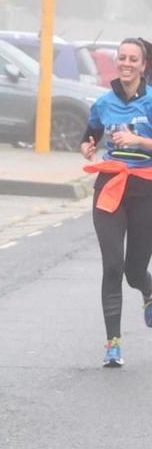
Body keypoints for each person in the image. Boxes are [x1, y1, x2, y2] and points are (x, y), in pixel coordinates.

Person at [79, 36, 152, 367]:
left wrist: (138, 139)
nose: (126, 63)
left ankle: (148, 291)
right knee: (112, 264)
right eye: (122, 57)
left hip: (144, 189)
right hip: (110, 188)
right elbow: (91, 132)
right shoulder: (103, 102)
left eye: (133, 59)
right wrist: (88, 145)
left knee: (134, 270)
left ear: (143, 65)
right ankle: (113, 344)